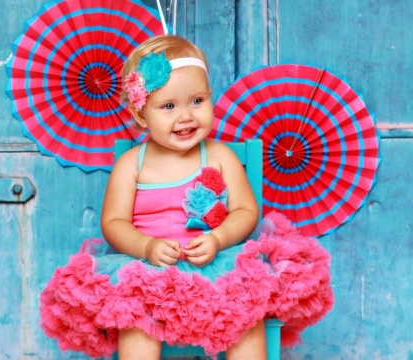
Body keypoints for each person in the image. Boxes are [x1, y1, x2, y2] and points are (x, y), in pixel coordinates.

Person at [39, 35, 334, 360]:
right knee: (135, 317)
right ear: (141, 115)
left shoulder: (220, 156)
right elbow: (113, 222)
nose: (185, 116)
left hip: (216, 268)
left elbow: (247, 211)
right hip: (149, 271)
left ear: (210, 98)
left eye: (197, 101)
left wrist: (219, 239)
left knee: (245, 309)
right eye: (168, 106)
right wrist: (147, 247)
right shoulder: (131, 164)